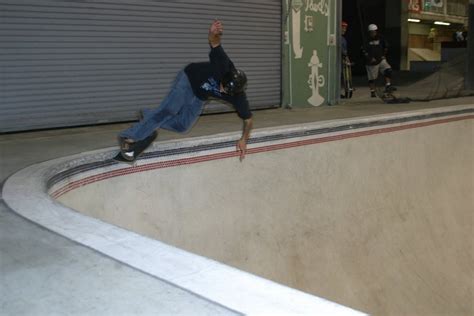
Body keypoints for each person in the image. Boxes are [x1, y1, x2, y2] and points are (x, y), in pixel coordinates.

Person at [118, 20, 253, 161]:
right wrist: (212, 33)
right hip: (189, 78)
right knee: (169, 110)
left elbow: (248, 121)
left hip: (201, 95)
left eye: (225, 91)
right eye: (222, 85)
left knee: (182, 126)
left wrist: (244, 139)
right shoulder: (223, 64)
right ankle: (129, 137)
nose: (220, 89)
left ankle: (148, 115)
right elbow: (215, 43)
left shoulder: (239, 98)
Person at [361, 24, 395, 98]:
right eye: (371, 32)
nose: (373, 34)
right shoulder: (366, 40)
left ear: (376, 32)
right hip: (371, 62)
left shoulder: (380, 38)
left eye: (374, 32)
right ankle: (372, 91)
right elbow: (364, 51)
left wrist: (384, 55)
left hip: (380, 59)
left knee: (388, 70)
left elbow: (386, 47)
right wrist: (370, 58)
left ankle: (388, 85)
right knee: (372, 78)